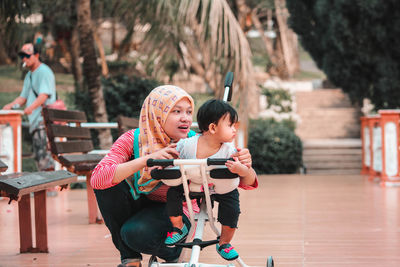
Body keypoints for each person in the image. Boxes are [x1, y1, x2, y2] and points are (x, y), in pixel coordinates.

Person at [90, 85, 257, 267]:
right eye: (176, 111)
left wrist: (246, 167)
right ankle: (131, 260)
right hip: (142, 201)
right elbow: (97, 178)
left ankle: (175, 249)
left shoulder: (199, 142)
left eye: (189, 111)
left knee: (135, 233)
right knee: (108, 184)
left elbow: (247, 183)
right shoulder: (134, 139)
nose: (185, 118)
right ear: (157, 114)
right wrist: (147, 159)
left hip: (177, 209)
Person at [164, 99, 256, 261]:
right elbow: (171, 155)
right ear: (213, 128)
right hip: (192, 184)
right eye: (230, 125)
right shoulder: (187, 145)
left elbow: (244, 172)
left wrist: (240, 169)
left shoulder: (229, 150)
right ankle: (178, 227)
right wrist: (165, 158)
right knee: (172, 193)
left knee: (232, 204)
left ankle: (224, 242)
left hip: (220, 187)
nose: (235, 130)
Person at [2, 43, 55, 172]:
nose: (24, 59)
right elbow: (23, 98)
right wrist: (10, 106)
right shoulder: (29, 75)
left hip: (44, 122)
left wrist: (30, 108)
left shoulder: (44, 71)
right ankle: (46, 188)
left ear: (36, 55)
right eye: (22, 56)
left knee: (44, 156)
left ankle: (50, 189)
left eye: (27, 56)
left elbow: (44, 95)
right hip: (35, 122)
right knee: (39, 156)